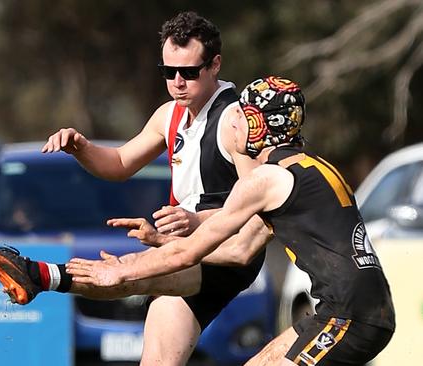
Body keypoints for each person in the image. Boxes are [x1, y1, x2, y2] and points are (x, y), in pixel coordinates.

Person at [66, 76, 396, 366]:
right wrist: (162, 239)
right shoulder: (315, 168)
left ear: (260, 126)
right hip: (352, 311)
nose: (231, 122)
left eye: (240, 114)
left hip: (348, 317)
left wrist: (122, 269)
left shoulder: (264, 180)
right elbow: (238, 251)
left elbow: (188, 255)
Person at [38, 11, 271, 365]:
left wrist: (197, 223)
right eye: (168, 72)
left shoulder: (235, 122)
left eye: (189, 72)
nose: (178, 82)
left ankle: (37, 275)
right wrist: (80, 148)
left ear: (215, 65)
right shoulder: (169, 116)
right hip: (184, 249)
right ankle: (41, 276)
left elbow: (259, 206)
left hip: (225, 252)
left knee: (125, 274)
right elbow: (118, 164)